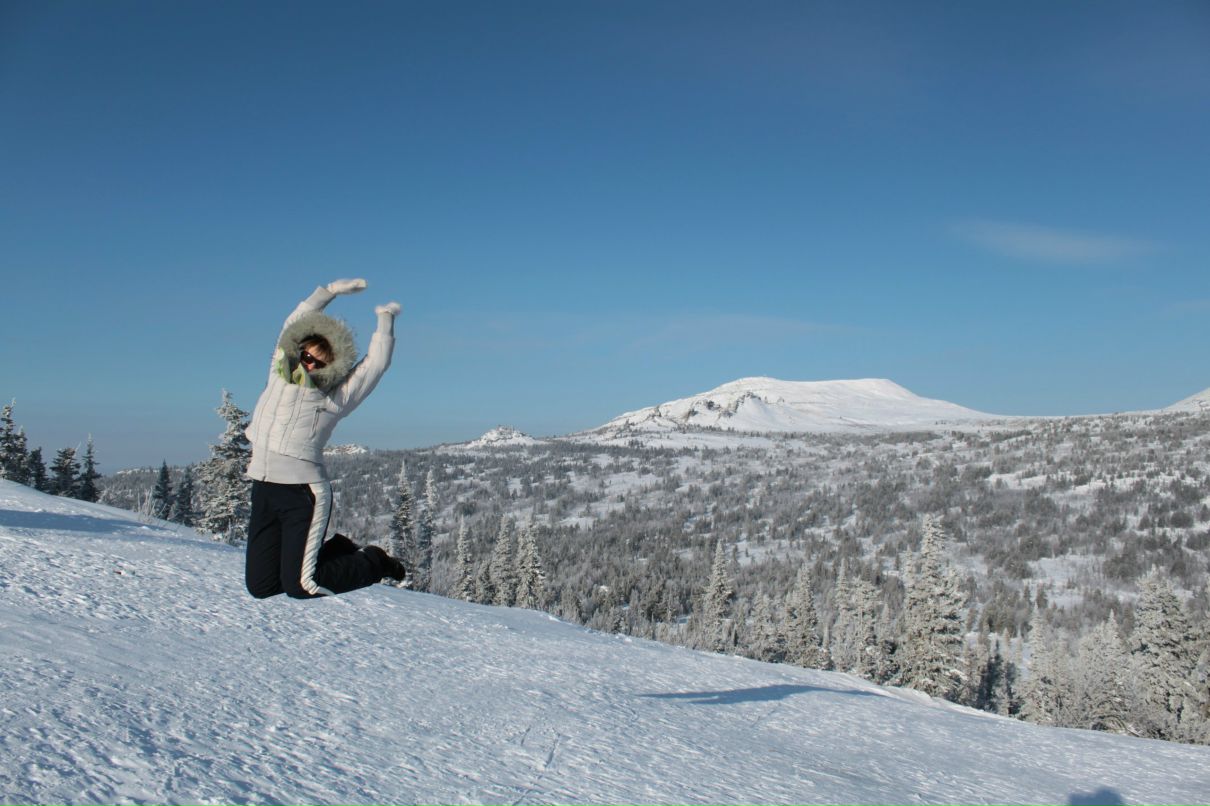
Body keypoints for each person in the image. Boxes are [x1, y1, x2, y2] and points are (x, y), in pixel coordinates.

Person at [244, 278, 407, 599]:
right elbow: (293, 322)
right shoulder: (278, 372)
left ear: (330, 367)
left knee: (304, 586)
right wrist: (328, 292)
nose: (309, 364)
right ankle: (340, 548)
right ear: (299, 349)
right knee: (262, 586)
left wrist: (385, 322)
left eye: (319, 362)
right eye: (307, 355)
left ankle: (375, 561)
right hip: (263, 488)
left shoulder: (333, 398)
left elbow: (374, 367)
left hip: (301, 495)